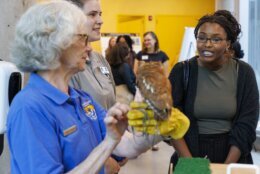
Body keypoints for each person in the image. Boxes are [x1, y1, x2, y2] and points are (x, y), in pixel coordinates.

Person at [7, 1, 170, 173]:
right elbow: (110, 142)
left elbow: (129, 145)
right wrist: (108, 144)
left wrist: (163, 122)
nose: (88, 47)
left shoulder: (81, 99)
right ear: (57, 43)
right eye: (82, 38)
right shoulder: (29, 108)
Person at [169, 10, 259, 165]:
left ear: (228, 43)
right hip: (188, 154)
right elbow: (171, 122)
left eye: (216, 39)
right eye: (202, 38)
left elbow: (247, 124)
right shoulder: (182, 71)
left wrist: (225, 167)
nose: (207, 44)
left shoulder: (244, 73)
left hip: (234, 157)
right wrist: (191, 165)